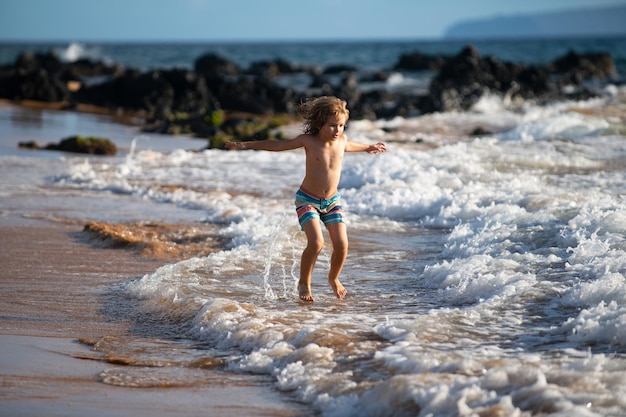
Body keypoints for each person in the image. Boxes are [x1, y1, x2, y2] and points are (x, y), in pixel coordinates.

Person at [225, 96, 386, 302]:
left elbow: (353, 145)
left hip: (332, 202)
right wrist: (246, 145)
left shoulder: (342, 141)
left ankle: (333, 278)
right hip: (307, 200)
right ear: (320, 124)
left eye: (341, 126)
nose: (337, 130)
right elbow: (277, 145)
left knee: (342, 244)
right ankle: (304, 282)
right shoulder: (308, 141)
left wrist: (368, 147)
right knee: (317, 242)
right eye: (332, 126)